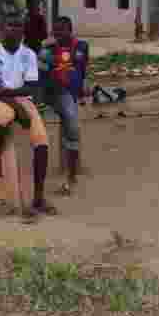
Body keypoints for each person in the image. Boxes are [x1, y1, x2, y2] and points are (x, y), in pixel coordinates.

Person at [0, 13, 56, 222]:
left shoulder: (29, 55)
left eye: (18, 26)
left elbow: (32, 87)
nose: (14, 29)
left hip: (21, 99)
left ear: (23, 31)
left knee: (42, 143)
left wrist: (17, 100)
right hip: (2, 101)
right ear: (1, 29)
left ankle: (39, 197)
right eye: (10, 25)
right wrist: (16, 106)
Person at [41, 17, 90, 195]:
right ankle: (67, 175)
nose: (58, 34)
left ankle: (71, 176)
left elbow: (82, 68)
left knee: (72, 127)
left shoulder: (81, 47)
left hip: (69, 93)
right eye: (55, 31)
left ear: (70, 29)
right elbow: (43, 69)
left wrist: (83, 84)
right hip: (54, 93)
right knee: (69, 126)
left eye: (61, 30)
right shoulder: (48, 50)